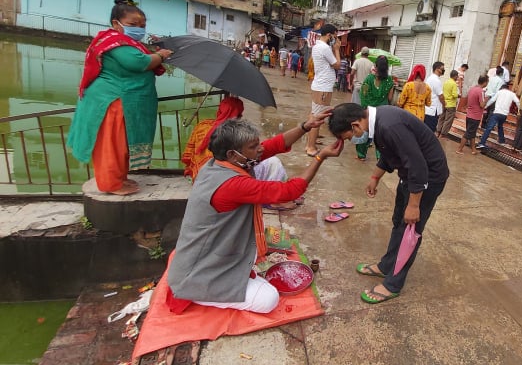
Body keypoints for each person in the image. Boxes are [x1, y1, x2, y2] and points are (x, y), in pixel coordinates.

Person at [166, 117, 343, 314]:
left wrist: (305, 126)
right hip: (201, 272)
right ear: (233, 154)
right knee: (269, 299)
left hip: (210, 253)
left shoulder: (221, 162)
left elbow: (273, 145)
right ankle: (200, 294)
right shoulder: (232, 184)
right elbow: (289, 191)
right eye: (253, 146)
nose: (259, 149)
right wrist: (320, 157)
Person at [328, 103, 449, 304]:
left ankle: (393, 284)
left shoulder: (390, 125)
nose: (351, 140)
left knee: (410, 230)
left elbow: (418, 165)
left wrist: (414, 204)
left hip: (427, 178)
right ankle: (386, 266)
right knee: (398, 223)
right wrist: (375, 177)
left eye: (348, 136)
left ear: (355, 125)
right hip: (410, 176)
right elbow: (390, 151)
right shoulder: (380, 122)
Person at [67, 0, 172, 195]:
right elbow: (139, 63)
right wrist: (161, 55)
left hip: (124, 101)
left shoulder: (126, 42)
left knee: (122, 144)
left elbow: (141, 59)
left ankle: (119, 178)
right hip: (114, 101)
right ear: (117, 24)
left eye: (142, 25)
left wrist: (155, 54)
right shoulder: (115, 43)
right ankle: (110, 184)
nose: (139, 29)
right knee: (112, 145)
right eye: (134, 24)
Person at [181, 97, 244, 181]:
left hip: (199, 173)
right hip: (221, 178)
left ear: (219, 111)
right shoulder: (237, 133)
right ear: (238, 114)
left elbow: (191, 152)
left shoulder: (202, 125)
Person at [305, 24, 341, 156]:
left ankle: (311, 140)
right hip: (323, 87)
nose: (336, 40)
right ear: (329, 35)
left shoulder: (317, 45)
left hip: (319, 85)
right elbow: (337, 65)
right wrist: (337, 49)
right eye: (335, 36)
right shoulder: (325, 48)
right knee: (317, 117)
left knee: (314, 113)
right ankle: (310, 147)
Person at [356, 55, 395, 160]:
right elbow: (390, 98)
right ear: (387, 67)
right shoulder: (390, 81)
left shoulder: (368, 79)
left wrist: (365, 108)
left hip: (369, 111)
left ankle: (361, 155)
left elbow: (363, 95)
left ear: (376, 66)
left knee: (365, 132)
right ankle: (380, 157)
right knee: (380, 135)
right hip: (383, 112)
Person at [477, 83, 519, 149]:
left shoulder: (499, 92)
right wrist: (519, 111)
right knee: (500, 126)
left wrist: (486, 106)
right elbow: (517, 102)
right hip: (504, 114)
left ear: (502, 88)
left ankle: (482, 142)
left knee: (489, 128)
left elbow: (492, 100)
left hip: (497, 113)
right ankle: (501, 140)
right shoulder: (512, 94)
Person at [456, 75, 488, 155]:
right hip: (475, 116)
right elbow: (482, 105)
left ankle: (473, 149)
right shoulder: (481, 91)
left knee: (472, 133)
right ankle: (459, 149)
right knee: (468, 133)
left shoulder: (472, 89)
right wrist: (487, 99)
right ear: (484, 82)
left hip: (469, 115)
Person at [424, 61, 446, 134]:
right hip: (433, 110)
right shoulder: (436, 80)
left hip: (428, 109)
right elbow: (441, 96)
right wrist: (444, 104)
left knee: (425, 130)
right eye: (442, 69)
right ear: (437, 69)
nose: (443, 70)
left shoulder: (429, 78)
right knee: (430, 131)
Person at [437, 69, 459, 138]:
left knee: (441, 118)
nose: (457, 78)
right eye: (457, 76)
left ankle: (438, 132)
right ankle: (443, 134)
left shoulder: (446, 82)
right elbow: (454, 95)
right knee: (448, 120)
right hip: (451, 105)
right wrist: (459, 95)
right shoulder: (454, 84)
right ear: (455, 76)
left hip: (444, 103)